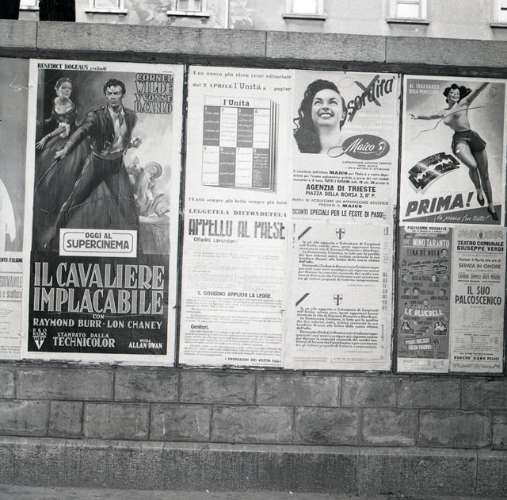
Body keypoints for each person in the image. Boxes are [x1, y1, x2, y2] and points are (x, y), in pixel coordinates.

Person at [43, 78, 141, 247]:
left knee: (129, 207)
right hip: (96, 164)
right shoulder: (96, 116)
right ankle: (52, 241)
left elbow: (119, 138)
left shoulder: (131, 116)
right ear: (106, 95)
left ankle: (138, 249)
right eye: (109, 93)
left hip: (116, 166)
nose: (113, 97)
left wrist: (131, 143)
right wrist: (66, 149)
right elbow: (80, 132)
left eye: (116, 93)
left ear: (122, 94)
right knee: (73, 202)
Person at [410, 82, 497, 221]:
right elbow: (430, 116)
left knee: (485, 174)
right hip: (459, 139)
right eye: (452, 93)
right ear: (447, 95)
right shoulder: (443, 112)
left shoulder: (464, 103)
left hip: (473, 136)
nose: (455, 95)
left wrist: (487, 80)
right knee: (473, 165)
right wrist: (418, 116)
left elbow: (477, 90)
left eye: (457, 93)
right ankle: (478, 189)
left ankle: (491, 205)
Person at [33, 77, 90, 250]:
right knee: (42, 164)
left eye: (69, 89)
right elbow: (53, 119)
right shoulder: (56, 101)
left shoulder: (70, 106)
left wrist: (45, 137)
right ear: (57, 89)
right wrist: (42, 123)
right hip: (58, 135)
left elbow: (64, 128)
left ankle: (57, 210)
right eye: (64, 88)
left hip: (68, 139)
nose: (67, 91)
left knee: (62, 172)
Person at [294, 79, 347, 155]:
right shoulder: (294, 145)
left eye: (332, 102)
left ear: (343, 115)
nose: (325, 107)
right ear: (310, 112)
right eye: (318, 102)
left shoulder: (352, 147)